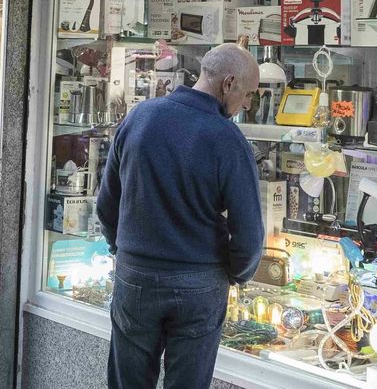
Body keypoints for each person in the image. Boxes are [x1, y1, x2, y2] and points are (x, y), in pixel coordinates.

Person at [96, 43, 264, 389]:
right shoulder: (228, 139)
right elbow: (248, 236)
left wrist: (123, 250)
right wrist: (236, 274)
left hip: (135, 275)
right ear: (228, 83)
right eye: (248, 94)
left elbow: (107, 204)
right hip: (199, 284)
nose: (247, 104)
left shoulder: (140, 117)